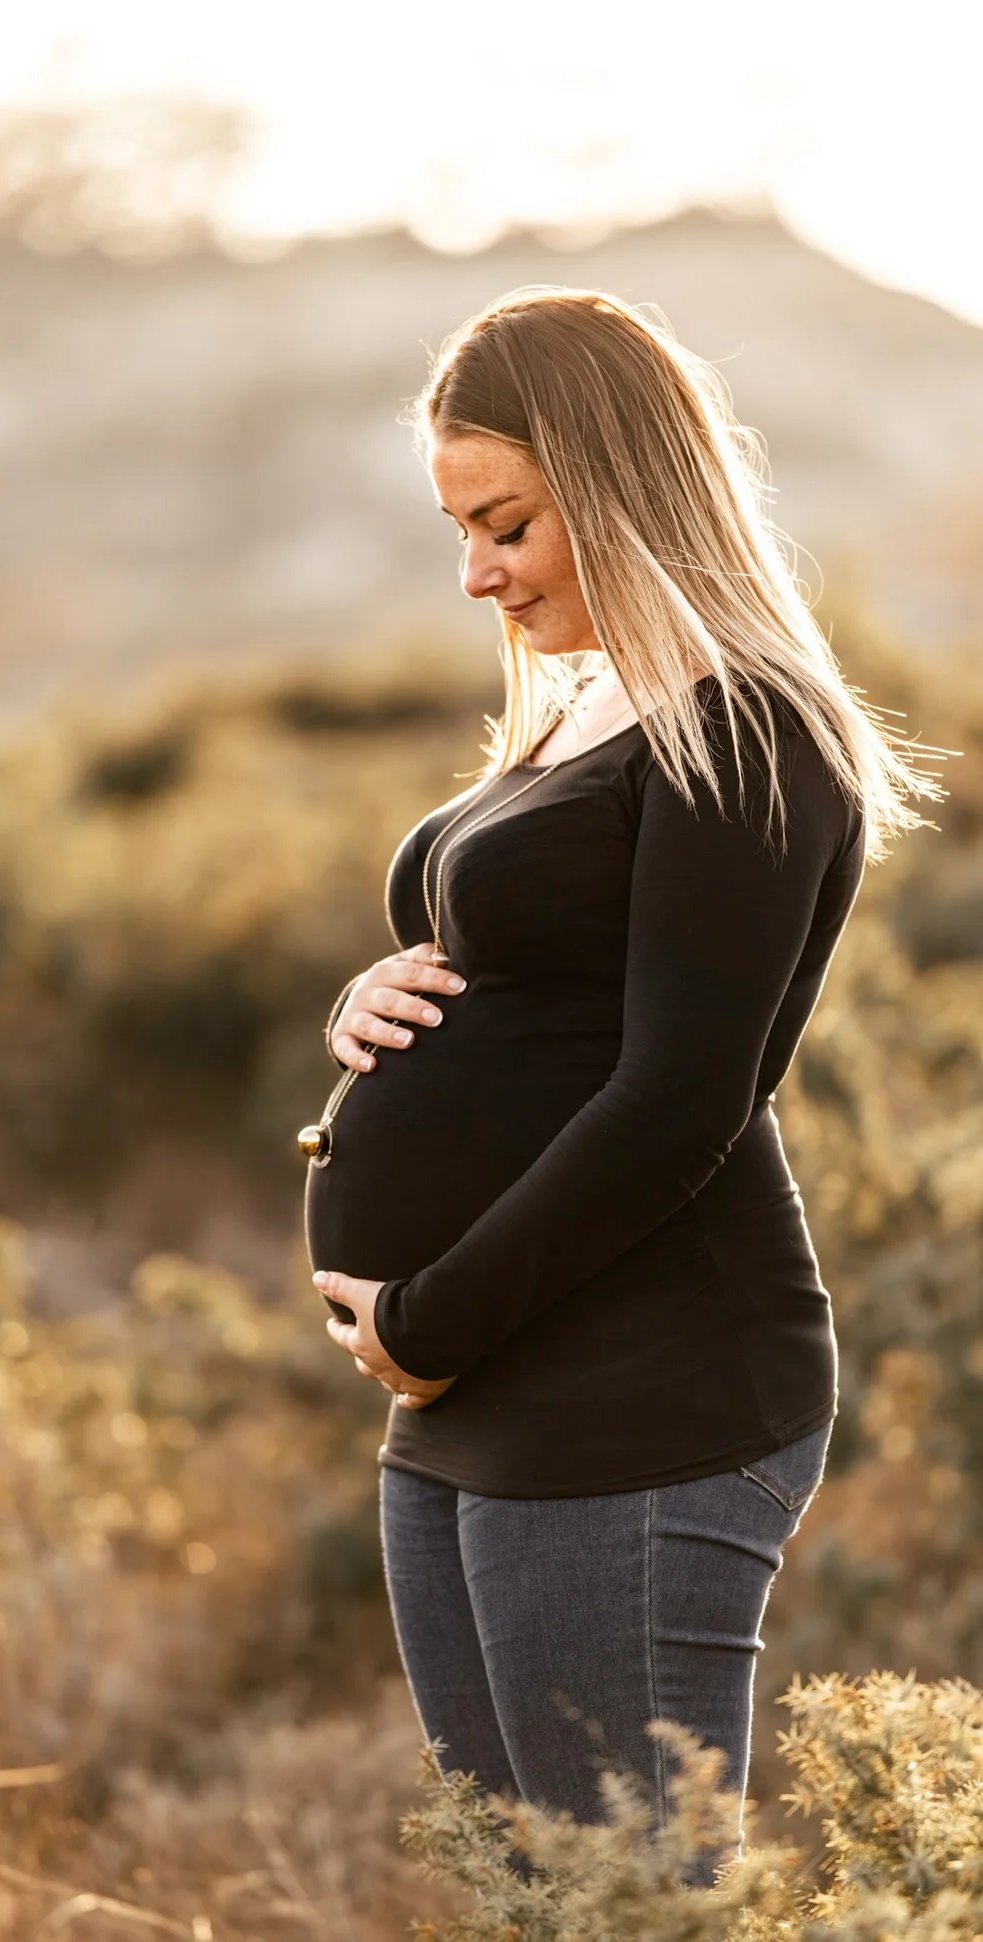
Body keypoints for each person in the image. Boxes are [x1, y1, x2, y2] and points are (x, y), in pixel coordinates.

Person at [301, 287, 945, 1883]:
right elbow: (532, 981)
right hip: (486, 1389)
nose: (477, 572)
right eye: (459, 529)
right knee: (522, 1892)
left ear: (618, 482)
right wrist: (373, 994)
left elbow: (679, 1096)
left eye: (506, 522)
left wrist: (428, 1320)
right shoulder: (586, 705)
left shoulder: (747, 731)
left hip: (641, 1388)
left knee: (631, 1907)